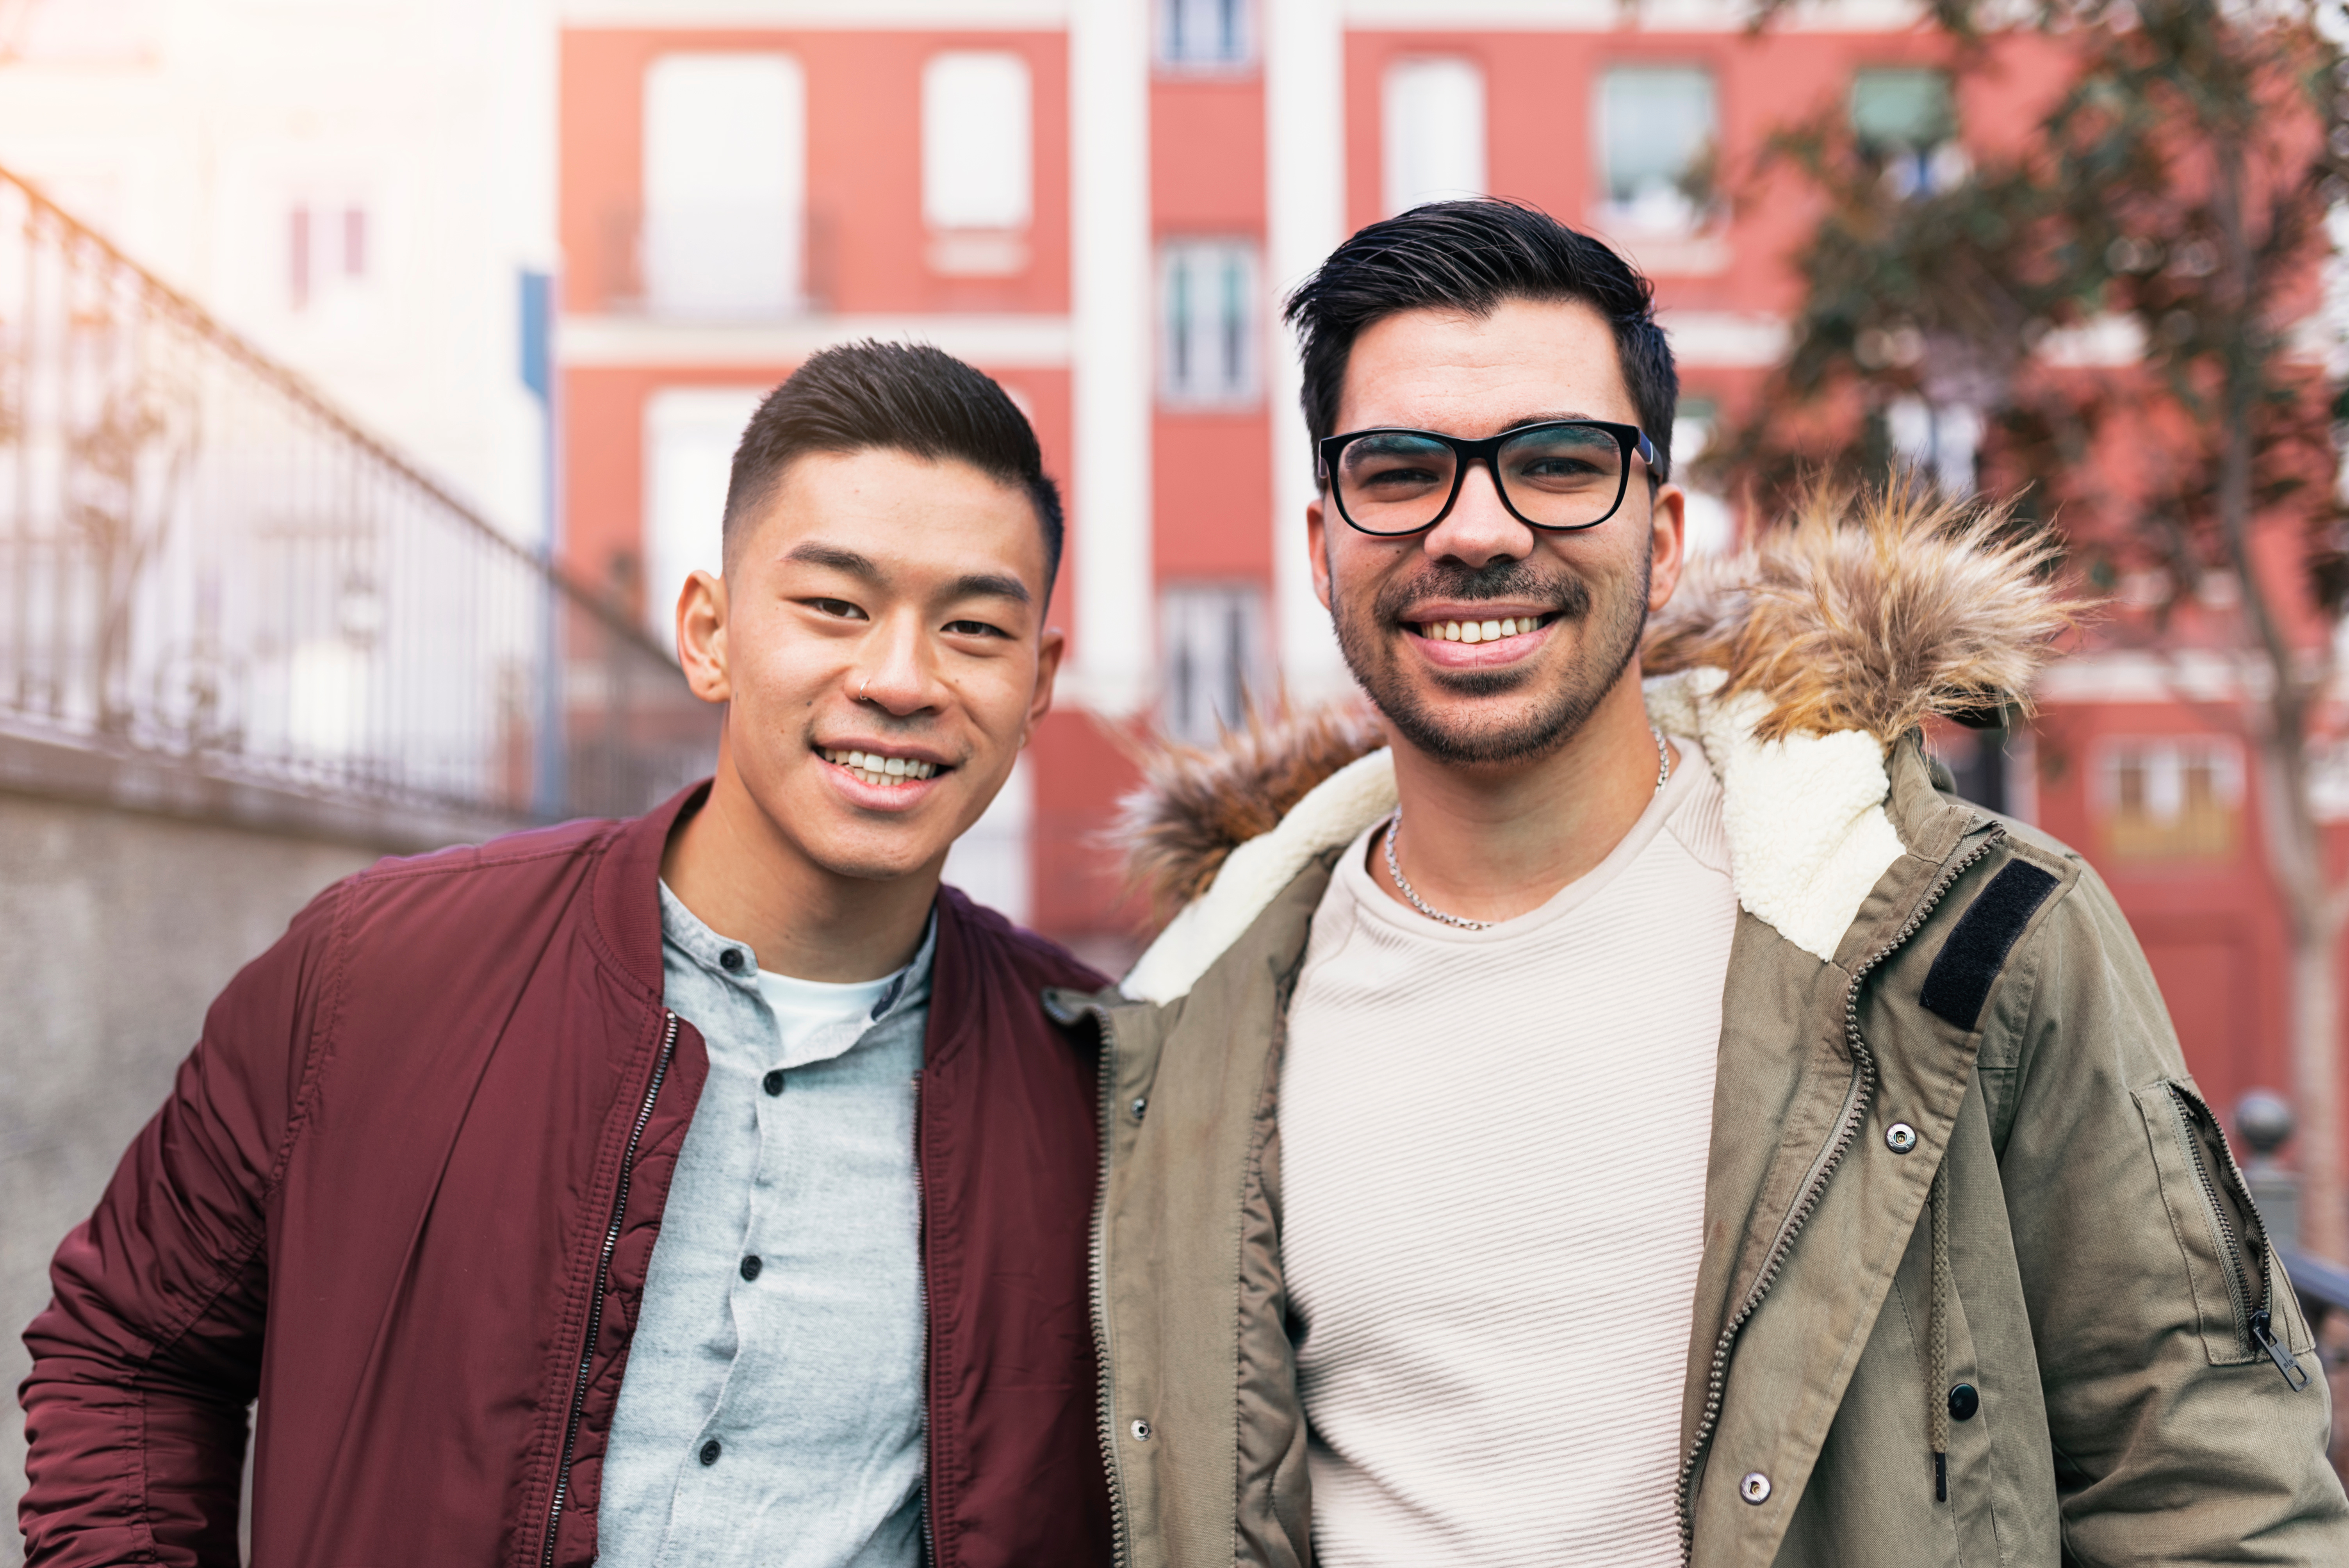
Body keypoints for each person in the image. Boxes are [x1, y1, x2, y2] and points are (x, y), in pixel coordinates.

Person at [1055, 200, 2349, 1565]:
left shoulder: (1959, 936)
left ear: (1664, 536)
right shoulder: (1189, 1028)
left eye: (1557, 464)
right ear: (1324, 543)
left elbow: (2217, 1506)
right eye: (1400, 468)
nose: (1477, 527)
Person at [19, 341, 1115, 1567]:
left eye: (972, 627)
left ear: (1037, 684)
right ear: (709, 634)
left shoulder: (1104, 1083)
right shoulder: (380, 972)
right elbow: (131, 1352)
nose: (901, 678)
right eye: (835, 608)